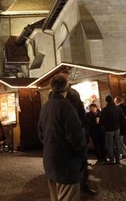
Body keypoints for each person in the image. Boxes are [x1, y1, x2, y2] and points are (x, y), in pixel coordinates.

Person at [38, 73, 87, 201]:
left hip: (50, 160)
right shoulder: (66, 107)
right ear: (66, 88)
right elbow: (76, 135)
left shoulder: (45, 106)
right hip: (66, 163)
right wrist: (81, 153)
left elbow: (40, 132)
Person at [100, 95, 123, 164]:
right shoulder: (118, 108)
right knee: (117, 143)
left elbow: (101, 120)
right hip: (117, 127)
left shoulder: (105, 110)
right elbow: (122, 118)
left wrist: (103, 126)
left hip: (108, 129)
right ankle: (118, 159)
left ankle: (111, 160)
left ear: (106, 101)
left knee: (109, 145)